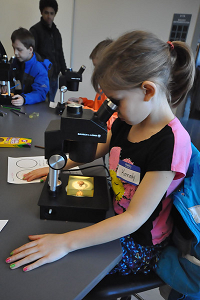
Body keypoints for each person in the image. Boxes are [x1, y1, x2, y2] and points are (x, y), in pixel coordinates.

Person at [6, 31, 195, 279]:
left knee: (63, 269)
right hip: (111, 214)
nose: (110, 108)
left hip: (139, 241)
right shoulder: (128, 121)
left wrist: (66, 243)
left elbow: (135, 218)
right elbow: (92, 150)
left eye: (115, 100)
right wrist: (59, 164)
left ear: (147, 91)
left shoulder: (171, 144)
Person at [67, 38, 117, 131]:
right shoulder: (103, 86)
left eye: (98, 67)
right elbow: (99, 107)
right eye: (95, 66)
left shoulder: (116, 91)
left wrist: (83, 110)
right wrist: (84, 102)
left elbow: (114, 121)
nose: (95, 71)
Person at [30, 0, 67, 102]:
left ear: (55, 14)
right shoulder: (34, 31)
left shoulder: (56, 32)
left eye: (52, 13)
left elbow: (60, 53)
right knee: (41, 106)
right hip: (40, 77)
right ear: (41, 12)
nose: (49, 16)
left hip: (54, 77)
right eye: (46, 13)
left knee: (50, 105)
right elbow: (32, 55)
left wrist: (65, 72)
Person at [9, 27, 51, 106]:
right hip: (18, 105)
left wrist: (24, 99)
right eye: (14, 48)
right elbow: (11, 80)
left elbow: (40, 93)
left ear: (30, 50)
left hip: (35, 109)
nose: (15, 53)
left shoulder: (39, 68)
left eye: (19, 49)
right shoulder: (15, 62)